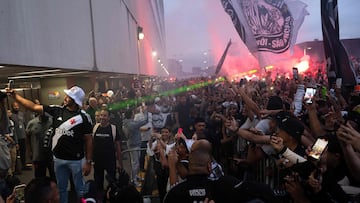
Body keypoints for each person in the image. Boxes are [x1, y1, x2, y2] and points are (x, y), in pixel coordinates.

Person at [7, 85, 93, 203]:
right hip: (58, 159)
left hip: (76, 160)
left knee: (80, 189)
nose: (66, 97)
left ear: (75, 100)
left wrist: (88, 162)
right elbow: (34, 107)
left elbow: (88, 140)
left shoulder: (84, 117)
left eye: (69, 96)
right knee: (61, 189)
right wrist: (15, 96)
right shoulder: (57, 110)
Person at [92, 109, 122, 202]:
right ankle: (100, 200)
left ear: (109, 117)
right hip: (97, 161)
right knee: (98, 182)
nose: (102, 117)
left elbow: (118, 146)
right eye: (101, 115)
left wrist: (119, 162)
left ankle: (112, 199)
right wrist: (90, 160)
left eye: (105, 115)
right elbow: (92, 144)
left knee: (112, 182)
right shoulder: (95, 127)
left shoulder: (113, 128)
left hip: (110, 161)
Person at [122, 107, 148, 186]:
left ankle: (136, 176)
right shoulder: (131, 124)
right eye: (133, 113)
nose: (134, 114)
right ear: (131, 114)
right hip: (134, 145)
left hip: (135, 144)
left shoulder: (127, 122)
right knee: (135, 163)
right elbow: (145, 120)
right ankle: (133, 180)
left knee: (136, 162)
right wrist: (145, 111)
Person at [26, 114, 55, 178]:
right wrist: (29, 151)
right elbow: (27, 136)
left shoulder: (53, 122)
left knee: (54, 176)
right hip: (38, 155)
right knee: (40, 178)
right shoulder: (32, 123)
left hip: (51, 155)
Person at [10, 102, 29, 171]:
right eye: (15, 106)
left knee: (23, 152)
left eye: (17, 106)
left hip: (23, 136)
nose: (16, 107)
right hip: (15, 137)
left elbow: (24, 124)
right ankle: (16, 168)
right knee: (16, 154)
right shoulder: (11, 115)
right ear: (12, 107)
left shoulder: (21, 114)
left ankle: (24, 165)